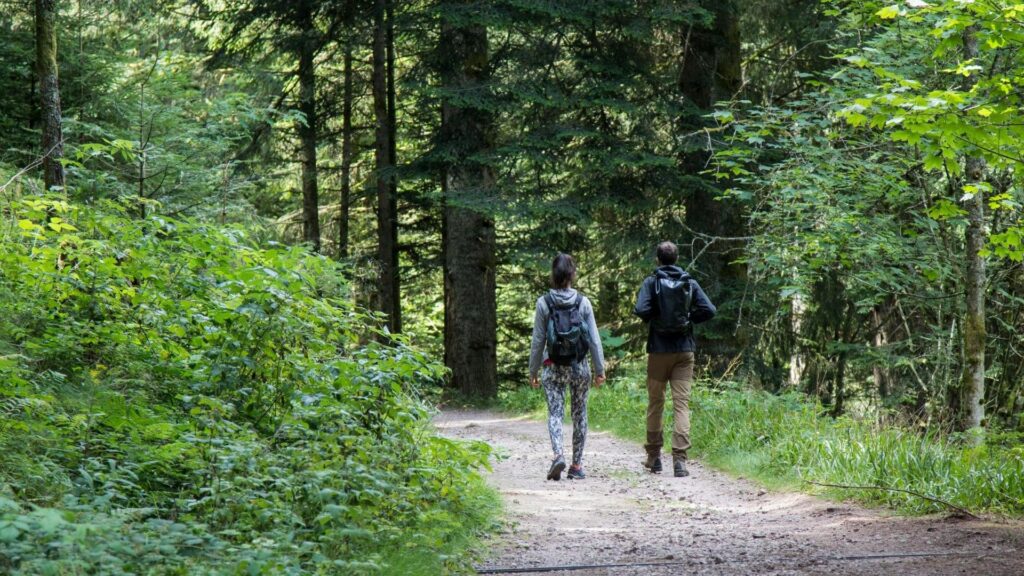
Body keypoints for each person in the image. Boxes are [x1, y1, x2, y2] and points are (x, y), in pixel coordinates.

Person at [633, 241, 716, 478]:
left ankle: (654, 458)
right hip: (684, 351)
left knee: (655, 404)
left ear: (657, 259)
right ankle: (680, 461)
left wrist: (656, 319)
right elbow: (709, 309)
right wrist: (689, 319)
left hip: (658, 350)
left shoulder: (652, 282)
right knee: (681, 405)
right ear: (676, 259)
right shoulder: (689, 282)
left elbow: (641, 309)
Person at [529, 253, 606, 481]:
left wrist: (533, 371)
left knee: (555, 413)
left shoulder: (544, 303)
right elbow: (593, 339)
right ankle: (576, 465)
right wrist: (600, 370)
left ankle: (558, 455)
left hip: (552, 367)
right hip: (579, 367)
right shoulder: (583, 302)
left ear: (553, 275)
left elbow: (538, 340)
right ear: (572, 275)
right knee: (580, 414)